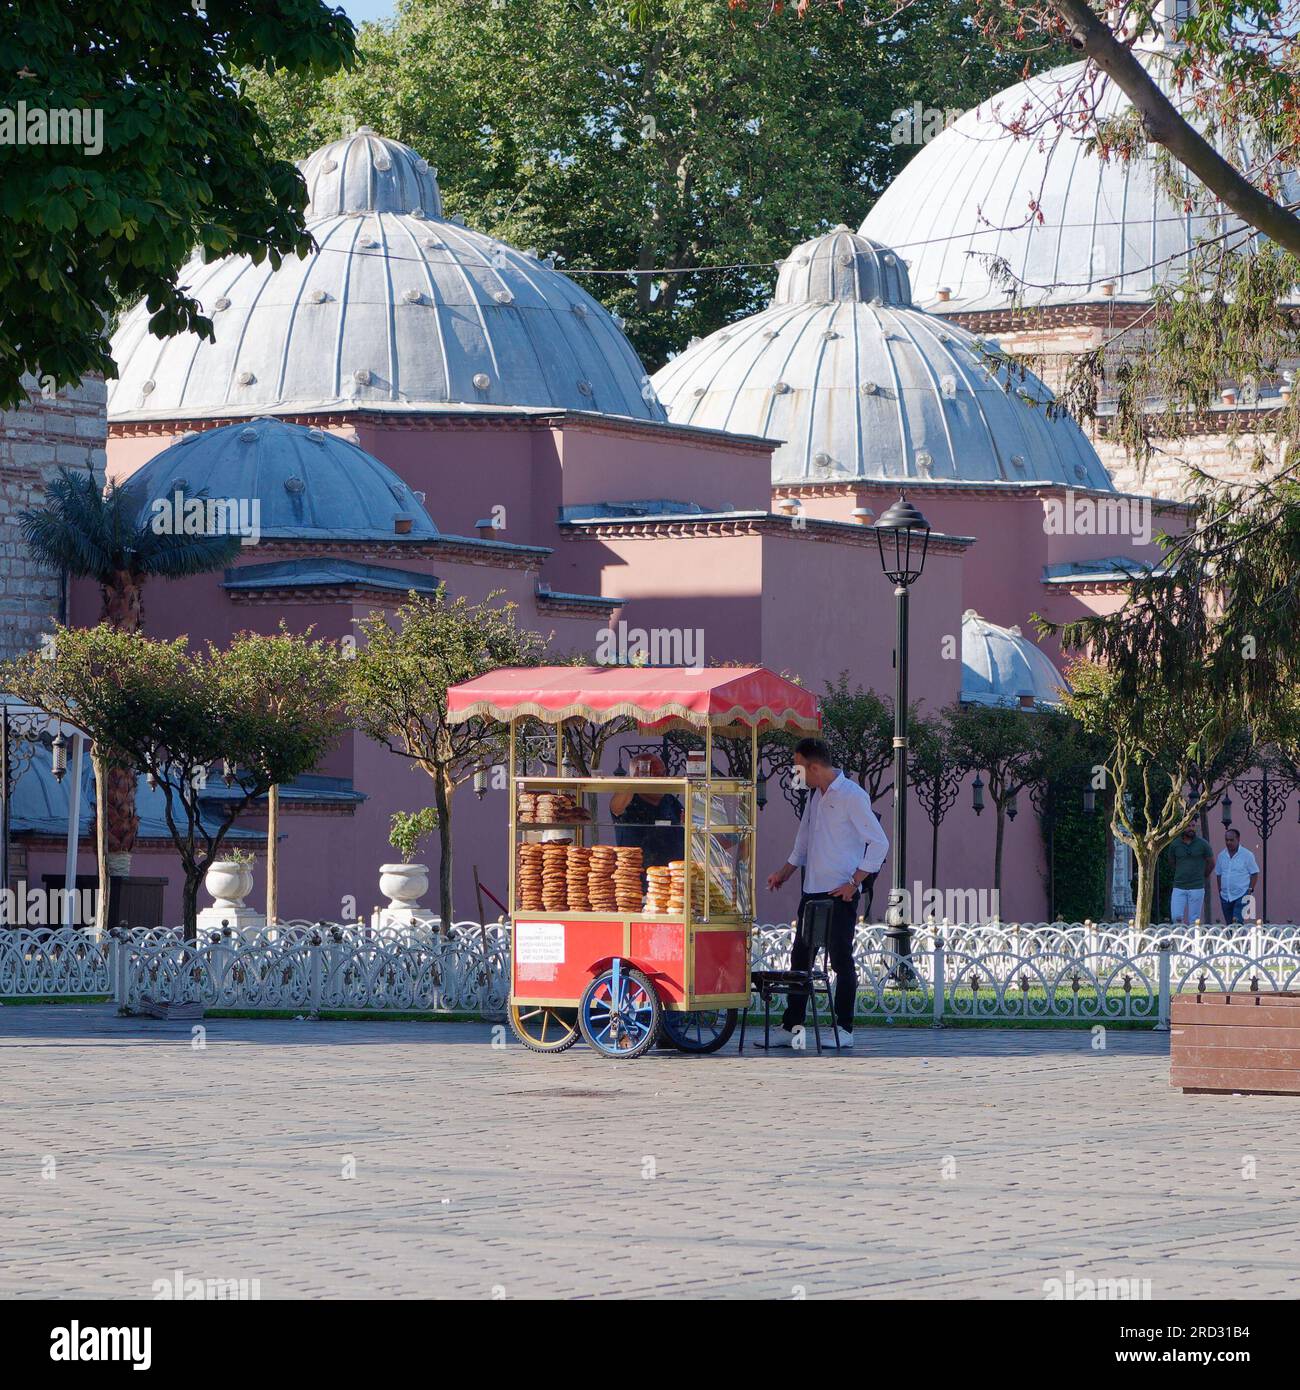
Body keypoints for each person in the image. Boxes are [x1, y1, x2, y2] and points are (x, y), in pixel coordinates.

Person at [764, 737, 889, 1049]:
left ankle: (843, 1029)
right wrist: (783, 873)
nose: (796, 773)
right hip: (812, 892)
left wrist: (854, 882)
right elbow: (803, 842)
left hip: (839, 895)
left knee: (841, 961)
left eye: (798, 766)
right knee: (800, 960)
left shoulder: (852, 796)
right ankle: (791, 1027)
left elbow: (879, 842)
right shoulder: (815, 797)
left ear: (814, 766)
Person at [610, 753, 683, 869]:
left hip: (672, 877)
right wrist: (634, 782)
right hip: (636, 877)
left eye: (663, 774)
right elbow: (615, 807)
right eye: (655, 775)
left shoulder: (670, 801)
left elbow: (685, 823)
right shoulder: (629, 800)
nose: (661, 779)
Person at [1167, 822, 1214, 925]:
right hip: (1179, 886)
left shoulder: (1203, 844)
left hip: (1197, 887)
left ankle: (1194, 941)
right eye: (1188, 826)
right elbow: (1171, 862)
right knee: (1176, 917)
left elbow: (1211, 863)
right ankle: (1179, 940)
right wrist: (1181, 872)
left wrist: (1203, 875)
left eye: (1193, 826)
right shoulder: (1175, 844)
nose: (1191, 828)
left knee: (1194, 920)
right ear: (1182, 827)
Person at [1215, 827, 1259, 927]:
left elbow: (1254, 873)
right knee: (1229, 924)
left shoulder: (1247, 855)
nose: (1228, 842)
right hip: (1225, 896)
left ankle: (1238, 942)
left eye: (1231, 840)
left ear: (1238, 839)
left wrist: (1250, 890)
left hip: (1242, 894)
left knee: (1236, 922)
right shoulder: (1221, 856)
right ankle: (1233, 941)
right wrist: (1220, 891)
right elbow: (1218, 874)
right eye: (1226, 840)